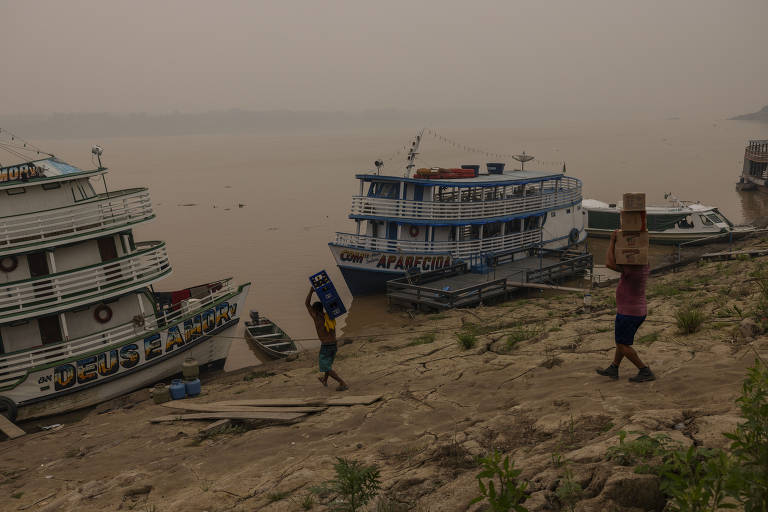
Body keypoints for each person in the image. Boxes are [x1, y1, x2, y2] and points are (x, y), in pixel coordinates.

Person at [597, 230, 655, 382]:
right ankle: (614, 368)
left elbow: (609, 262)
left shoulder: (632, 268)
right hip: (636, 311)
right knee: (620, 341)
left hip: (629, 313)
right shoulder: (644, 263)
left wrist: (612, 241)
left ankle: (644, 370)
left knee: (623, 344)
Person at [306, 287, 349, 391]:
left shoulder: (317, 317)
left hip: (326, 345)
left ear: (315, 310)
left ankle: (342, 383)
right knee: (327, 364)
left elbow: (307, 304)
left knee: (325, 366)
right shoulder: (329, 316)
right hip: (334, 344)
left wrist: (311, 291)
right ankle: (324, 380)